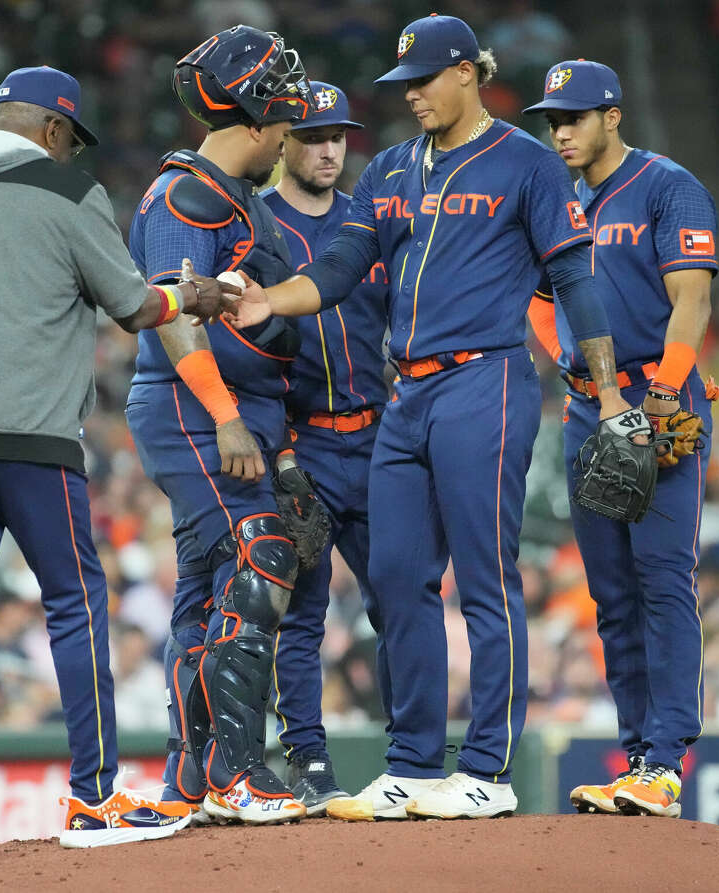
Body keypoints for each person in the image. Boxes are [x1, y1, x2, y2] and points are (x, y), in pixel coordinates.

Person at [228, 14, 634, 821]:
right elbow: (343, 264)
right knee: (397, 579)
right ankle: (413, 763)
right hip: (404, 396)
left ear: (467, 74)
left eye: (422, 80)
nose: (409, 94)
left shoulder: (528, 162)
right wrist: (273, 298)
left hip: (486, 380)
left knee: (485, 580)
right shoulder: (389, 168)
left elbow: (577, 277)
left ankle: (486, 766)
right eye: (402, 84)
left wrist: (609, 388)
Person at [0, 64, 238, 866]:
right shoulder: (69, 195)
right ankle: (95, 796)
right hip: (27, 436)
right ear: (55, 130)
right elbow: (136, 306)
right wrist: (195, 297)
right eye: (72, 139)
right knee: (76, 600)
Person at [123, 25, 314, 825]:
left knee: (206, 593)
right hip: (194, 410)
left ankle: (191, 781)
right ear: (257, 115)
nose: (291, 129)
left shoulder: (235, 198)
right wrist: (228, 418)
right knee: (265, 556)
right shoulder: (186, 194)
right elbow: (173, 314)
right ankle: (239, 772)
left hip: (237, 416)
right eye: (285, 110)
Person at [524, 59, 719, 818]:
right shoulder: (555, 196)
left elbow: (691, 297)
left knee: (663, 579)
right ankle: (638, 754)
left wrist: (668, 387)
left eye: (574, 116)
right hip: (588, 407)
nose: (561, 131)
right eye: (553, 119)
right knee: (610, 592)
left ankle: (666, 759)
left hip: (655, 397)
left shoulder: (668, 185)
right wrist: (575, 367)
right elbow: (542, 302)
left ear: (612, 116)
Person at [258, 81, 390, 814]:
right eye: (313, 135)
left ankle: (415, 756)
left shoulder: (364, 221)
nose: (330, 148)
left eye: (339, 134)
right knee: (301, 615)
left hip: (375, 437)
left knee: (400, 602)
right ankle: (307, 760)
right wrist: (278, 454)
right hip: (302, 442)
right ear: (282, 140)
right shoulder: (258, 227)